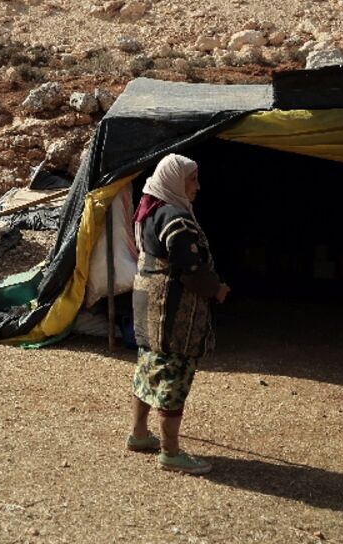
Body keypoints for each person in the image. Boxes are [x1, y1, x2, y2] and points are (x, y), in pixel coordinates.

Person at [125, 153, 229, 475]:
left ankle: (140, 434)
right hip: (170, 312)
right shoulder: (175, 218)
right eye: (192, 179)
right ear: (175, 180)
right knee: (173, 373)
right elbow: (191, 269)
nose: (197, 186)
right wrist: (217, 289)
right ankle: (170, 453)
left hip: (148, 307)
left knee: (148, 367)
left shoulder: (150, 209)